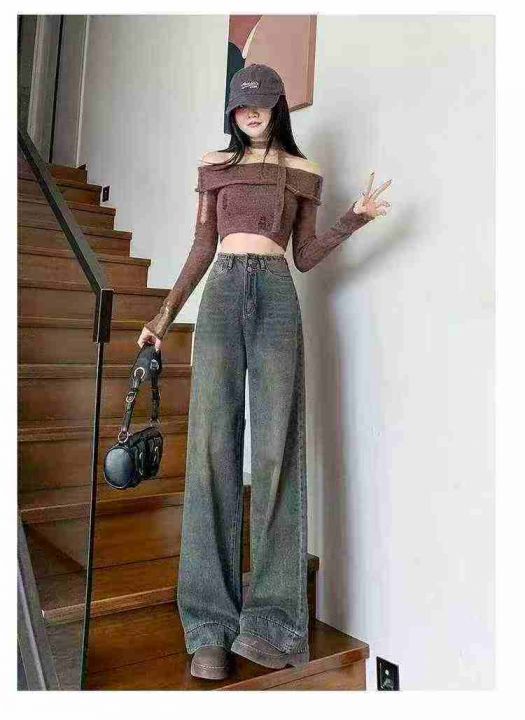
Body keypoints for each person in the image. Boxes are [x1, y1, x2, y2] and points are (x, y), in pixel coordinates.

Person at [138, 63, 392, 680]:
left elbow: (304, 256)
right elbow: (202, 247)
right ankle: (209, 628)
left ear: (278, 107)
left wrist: (354, 218)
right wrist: (163, 317)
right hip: (222, 295)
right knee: (211, 448)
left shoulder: (302, 172)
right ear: (232, 111)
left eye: (261, 103)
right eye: (240, 105)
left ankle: (273, 624)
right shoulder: (214, 166)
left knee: (277, 450)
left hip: (277, 296)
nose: (250, 112)